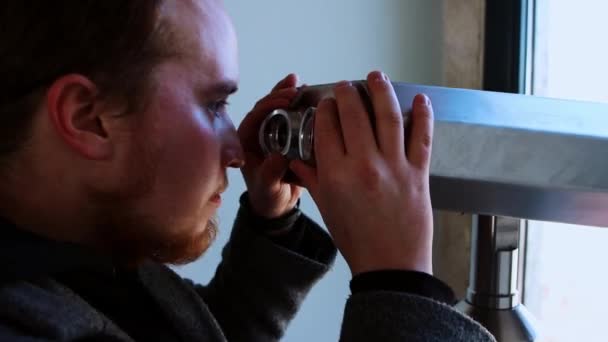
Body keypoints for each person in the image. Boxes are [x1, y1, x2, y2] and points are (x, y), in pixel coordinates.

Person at [0, 1, 495, 341]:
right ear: (89, 119)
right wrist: (399, 280)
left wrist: (269, 221)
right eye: (214, 104)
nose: (238, 148)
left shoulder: (79, 255)